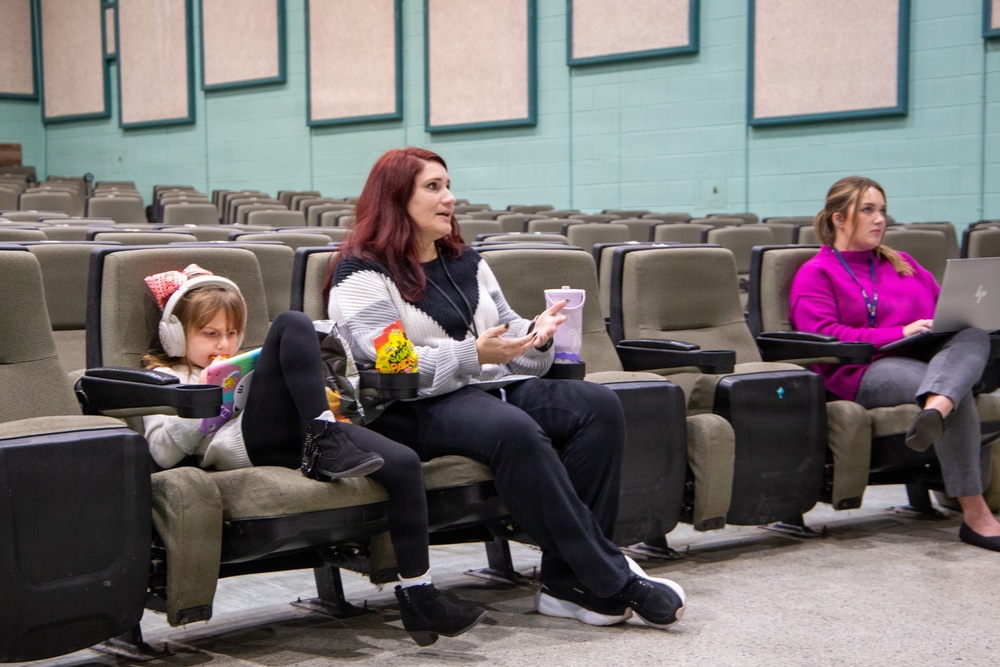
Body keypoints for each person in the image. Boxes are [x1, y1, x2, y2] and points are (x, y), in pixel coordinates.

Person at [325, 147, 686, 630]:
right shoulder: (361, 274)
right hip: (408, 405)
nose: (449, 198)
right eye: (433, 188)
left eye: (448, 186)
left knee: (598, 405)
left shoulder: (466, 261)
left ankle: (564, 584)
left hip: (488, 386)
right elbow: (398, 366)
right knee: (513, 429)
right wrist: (474, 356)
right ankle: (613, 579)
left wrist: (538, 335)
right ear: (395, 199)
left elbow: (514, 340)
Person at [141, 264, 487, 646]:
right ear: (174, 336)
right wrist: (207, 407)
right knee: (291, 322)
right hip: (250, 447)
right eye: (210, 334)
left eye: (232, 333)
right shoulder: (164, 379)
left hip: (297, 433)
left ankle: (419, 596)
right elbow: (161, 450)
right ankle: (324, 436)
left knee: (403, 463)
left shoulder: (234, 366)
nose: (223, 345)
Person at [790, 175, 1000, 552]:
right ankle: (975, 515)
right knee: (956, 390)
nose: (879, 219)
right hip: (862, 369)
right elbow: (823, 334)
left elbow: (945, 312)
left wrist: (955, 320)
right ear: (839, 218)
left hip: (926, 358)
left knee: (973, 335)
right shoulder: (816, 272)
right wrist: (897, 331)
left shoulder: (901, 263)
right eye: (867, 210)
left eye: (882, 210)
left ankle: (937, 406)